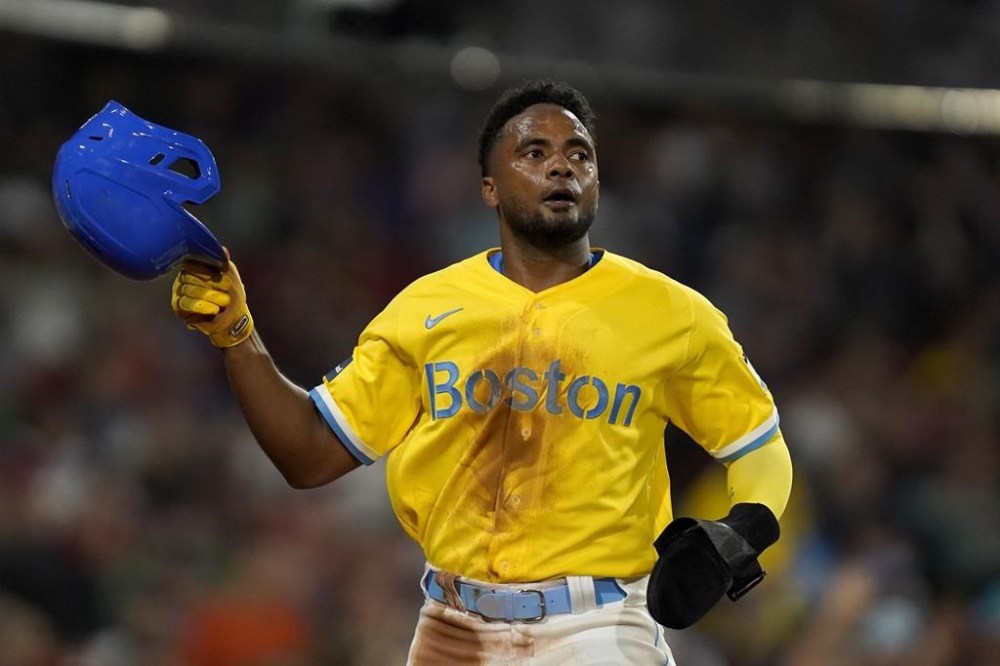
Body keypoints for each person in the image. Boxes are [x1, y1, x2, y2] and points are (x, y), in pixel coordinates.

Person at [170, 79, 794, 665]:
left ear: (597, 183)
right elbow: (308, 455)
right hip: (453, 627)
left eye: (580, 155)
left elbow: (760, 447)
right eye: (534, 151)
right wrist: (236, 335)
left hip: (597, 626)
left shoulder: (671, 313)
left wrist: (741, 532)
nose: (561, 166)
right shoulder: (424, 310)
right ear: (490, 187)